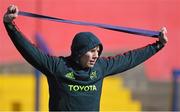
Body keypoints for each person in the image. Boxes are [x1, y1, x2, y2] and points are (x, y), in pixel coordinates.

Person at [3, 5, 168, 111]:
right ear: (79, 52)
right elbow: (30, 51)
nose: (96, 55)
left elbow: (131, 58)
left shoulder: (101, 68)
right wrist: (10, 26)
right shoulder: (57, 67)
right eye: (92, 51)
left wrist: (158, 45)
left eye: (98, 51)